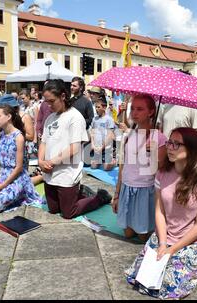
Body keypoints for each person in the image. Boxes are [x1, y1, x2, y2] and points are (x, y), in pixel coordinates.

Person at [125, 127, 197, 300]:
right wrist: (162, 243)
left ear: (192, 149)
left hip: (193, 241)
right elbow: (159, 211)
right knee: (140, 280)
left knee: (168, 288)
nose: (169, 147)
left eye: (177, 144)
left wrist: (173, 249)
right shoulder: (162, 173)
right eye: (169, 142)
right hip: (166, 234)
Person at [39, 79, 112, 219]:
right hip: (49, 171)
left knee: (68, 213)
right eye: (46, 102)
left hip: (67, 172)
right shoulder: (50, 118)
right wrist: (41, 162)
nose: (48, 106)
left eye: (51, 101)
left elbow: (74, 148)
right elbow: (43, 142)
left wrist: (51, 162)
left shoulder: (75, 117)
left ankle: (99, 198)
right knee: (53, 209)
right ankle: (79, 193)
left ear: (62, 96)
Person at [112, 94, 168, 241]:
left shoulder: (159, 138)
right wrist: (117, 194)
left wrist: (155, 152)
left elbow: (163, 170)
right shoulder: (129, 135)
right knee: (128, 234)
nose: (134, 113)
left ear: (151, 112)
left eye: (140, 109)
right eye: (133, 109)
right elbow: (122, 167)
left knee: (143, 236)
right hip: (127, 187)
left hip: (145, 190)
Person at [90, 97, 116, 171]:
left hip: (105, 148)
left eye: (98, 107)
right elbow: (92, 132)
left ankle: (114, 161)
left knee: (106, 168)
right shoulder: (95, 119)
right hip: (96, 147)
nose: (96, 109)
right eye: (95, 107)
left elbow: (109, 135)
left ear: (104, 107)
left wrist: (102, 147)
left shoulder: (109, 119)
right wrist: (92, 145)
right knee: (93, 167)